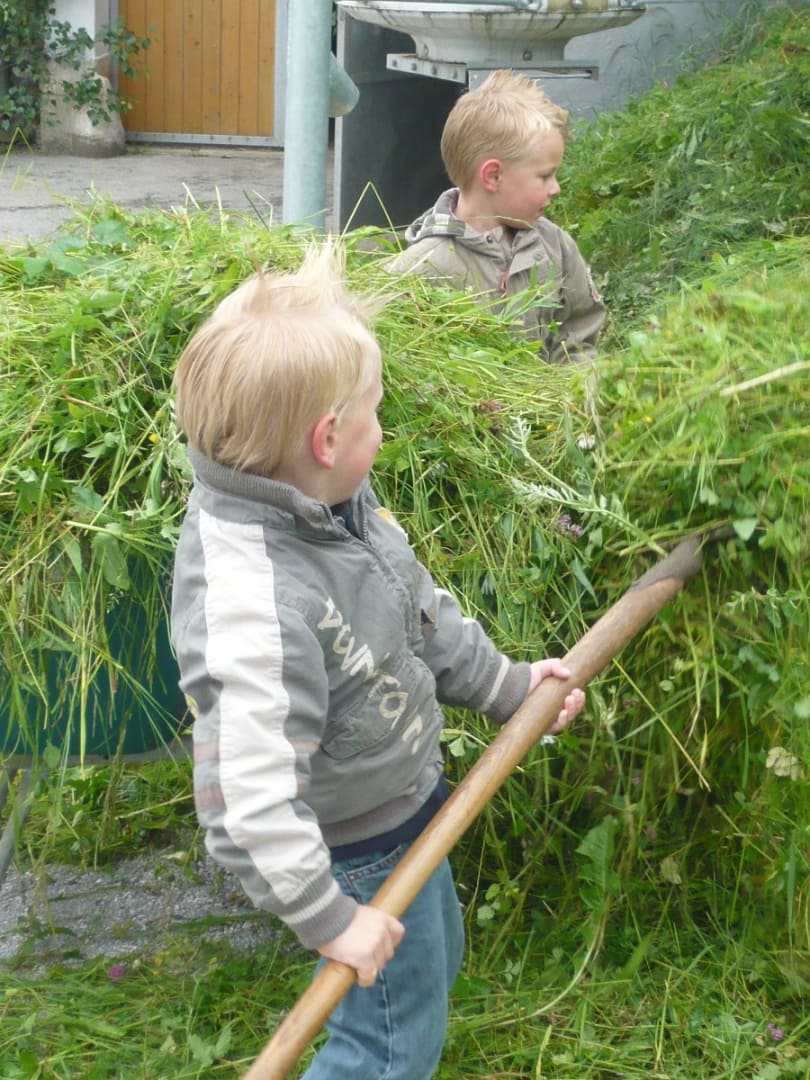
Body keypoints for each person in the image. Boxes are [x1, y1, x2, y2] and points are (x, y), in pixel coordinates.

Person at [170, 243, 586, 1079]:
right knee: (389, 1043)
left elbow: (414, 613)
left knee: (430, 969)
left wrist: (509, 689)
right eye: (375, 413)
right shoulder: (258, 607)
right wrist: (332, 921)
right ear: (327, 439)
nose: (383, 431)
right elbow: (246, 805)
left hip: (404, 809)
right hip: (356, 852)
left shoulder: (331, 508)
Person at [387, 68, 605, 365]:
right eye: (545, 176)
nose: (556, 188)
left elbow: (579, 333)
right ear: (493, 176)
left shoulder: (554, 246)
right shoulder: (422, 269)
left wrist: (571, 384)